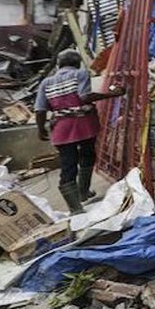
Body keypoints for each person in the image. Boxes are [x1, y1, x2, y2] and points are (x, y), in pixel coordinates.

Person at [34, 49, 126, 213]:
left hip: (61, 129)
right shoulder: (80, 74)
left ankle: (75, 208)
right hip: (84, 125)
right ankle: (83, 191)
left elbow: (40, 109)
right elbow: (84, 97)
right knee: (88, 155)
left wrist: (41, 129)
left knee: (68, 165)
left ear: (58, 65)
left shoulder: (45, 83)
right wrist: (111, 94)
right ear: (77, 63)